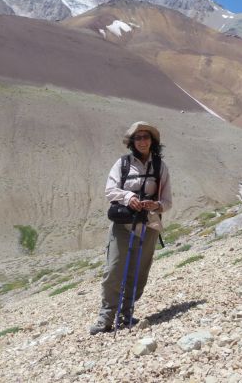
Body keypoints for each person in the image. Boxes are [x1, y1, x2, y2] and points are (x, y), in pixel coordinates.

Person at [89, 121, 172, 335]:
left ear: (152, 141)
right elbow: (110, 191)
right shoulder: (123, 164)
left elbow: (167, 201)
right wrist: (129, 197)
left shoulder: (160, 167)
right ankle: (106, 317)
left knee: (139, 272)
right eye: (138, 137)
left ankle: (126, 313)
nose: (142, 141)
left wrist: (157, 205)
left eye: (146, 137)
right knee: (114, 269)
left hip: (149, 225)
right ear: (132, 142)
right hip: (123, 224)